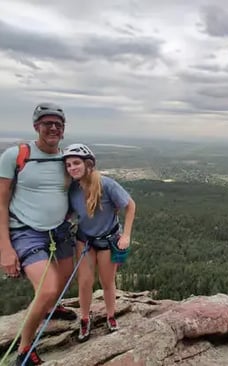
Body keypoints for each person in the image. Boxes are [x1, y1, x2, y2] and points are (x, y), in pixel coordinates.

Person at [0, 103, 77, 366]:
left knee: (65, 279)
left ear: (63, 130)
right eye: (47, 123)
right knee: (47, 288)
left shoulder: (67, 159)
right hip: (25, 231)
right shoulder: (16, 155)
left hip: (60, 230)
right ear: (36, 127)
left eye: (58, 124)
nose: (53, 128)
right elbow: (0, 202)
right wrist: (5, 249)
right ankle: (24, 349)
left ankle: (52, 309)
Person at [62, 143, 136, 342]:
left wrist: (126, 235)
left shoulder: (107, 184)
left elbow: (130, 206)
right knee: (85, 282)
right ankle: (85, 318)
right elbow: (70, 213)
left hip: (107, 240)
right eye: (68, 165)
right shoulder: (73, 190)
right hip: (85, 239)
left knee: (107, 282)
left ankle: (111, 316)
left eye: (76, 163)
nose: (72, 168)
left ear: (88, 164)